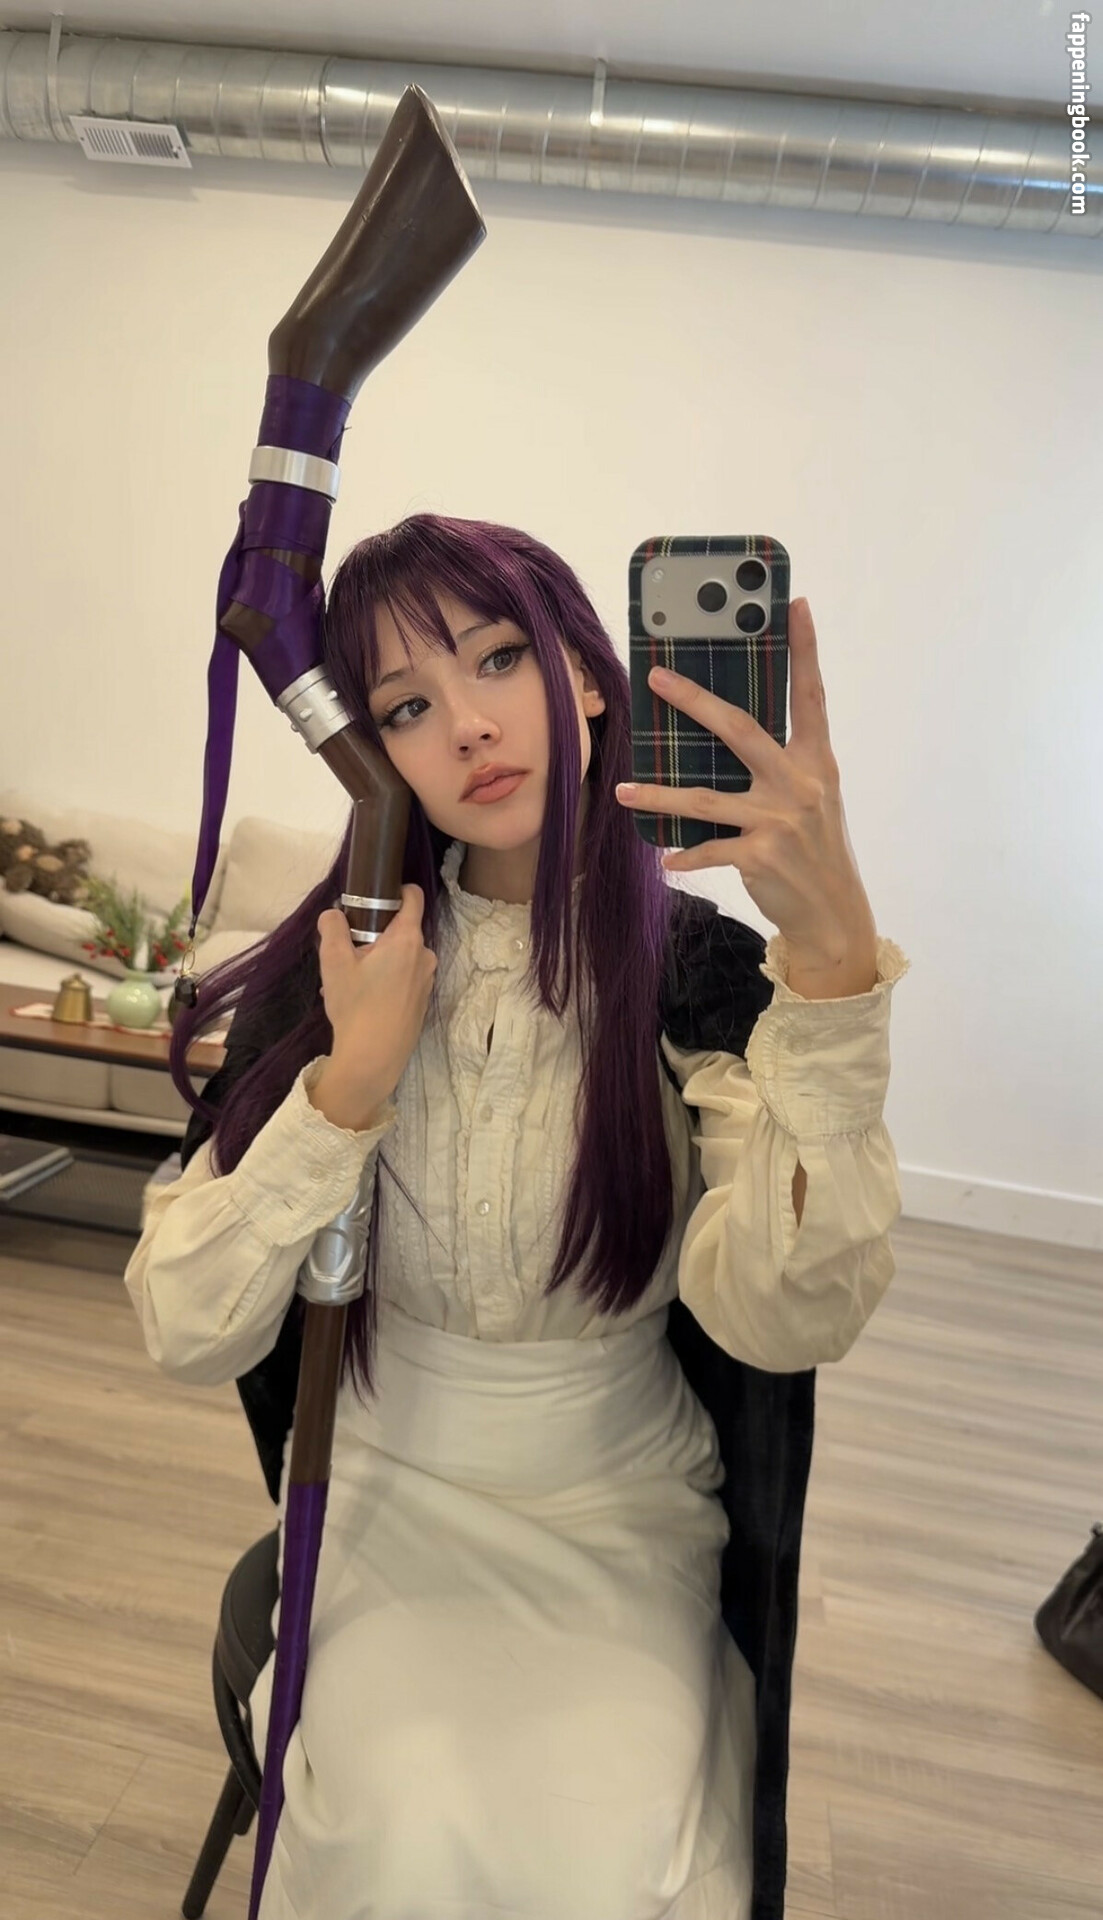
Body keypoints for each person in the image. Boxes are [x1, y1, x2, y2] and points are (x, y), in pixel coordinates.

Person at [124, 512, 910, 1920]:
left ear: (589, 677)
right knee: (400, 1823)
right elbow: (186, 1327)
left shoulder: (698, 976)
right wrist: (349, 1087)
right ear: (371, 752)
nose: (470, 728)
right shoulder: (344, 970)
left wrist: (835, 968)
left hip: (623, 1505)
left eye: (498, 660)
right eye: (405, 706)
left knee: (614, 1860)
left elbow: (786, 1317)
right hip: (383, 1490)